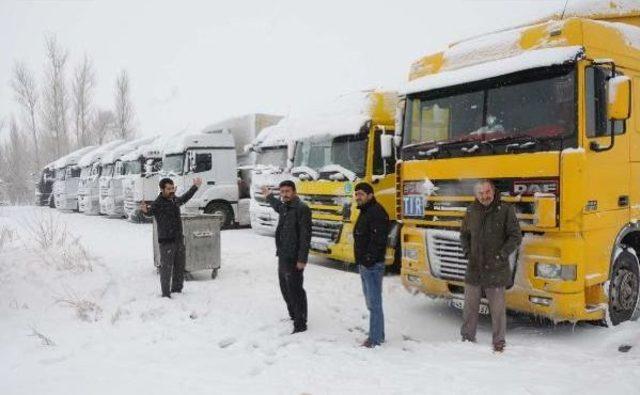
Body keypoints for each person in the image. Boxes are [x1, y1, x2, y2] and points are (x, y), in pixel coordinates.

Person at [460, 179, 522, 353]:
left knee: (497, 311)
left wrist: (501, 255)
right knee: (470, 308)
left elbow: (515, 236)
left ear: (493, 192)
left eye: (487, 192)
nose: (484, 196)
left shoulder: (505, 210)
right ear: (476, 194)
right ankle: (467, 338)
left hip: (496, 269)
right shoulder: (471, 211)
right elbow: (464, 235)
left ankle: (499, 342)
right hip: (474, 269)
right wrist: (467, 253)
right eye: (480, 193)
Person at [262, 180, 312, 334]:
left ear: (294, 192)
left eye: (287, 191)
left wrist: (302, 259)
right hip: (283, 255)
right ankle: (293, 314)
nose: (284, 194)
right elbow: (277, 206)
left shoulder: (302, 209)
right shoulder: (284, 207)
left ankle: (300, 323)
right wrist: (269, 196)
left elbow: (305, 236)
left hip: (294, 257)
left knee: (295, 290)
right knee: (285, 288)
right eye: (282, 192)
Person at [140, 177, 202, 298]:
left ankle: (177, 291)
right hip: (166, 242)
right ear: (162, 190)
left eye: (172, 188)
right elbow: (149, 212)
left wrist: (195, 187)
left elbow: (185, 198)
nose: (171, 190)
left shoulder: (174, 200)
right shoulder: (158, 203)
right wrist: (144, 211)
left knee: (180, 267)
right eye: (168, 189)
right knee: (166, 270)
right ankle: (166, 294)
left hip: (179, 239)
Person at [353, 182, 389, 348]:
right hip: (365, 264)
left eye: (360, 194)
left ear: (370, 195)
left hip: (372, 265)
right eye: (356, 194)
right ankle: (378, 334)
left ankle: (374, 339)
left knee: (374, 304)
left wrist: (368, 259)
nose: (357, 197)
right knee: (371, 303)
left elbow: (379, 240)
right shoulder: (366, 210)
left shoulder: (376, 212)